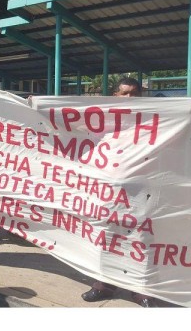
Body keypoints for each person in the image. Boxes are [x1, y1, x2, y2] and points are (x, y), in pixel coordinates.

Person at [81, 77, 157, 308]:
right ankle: (104, 284)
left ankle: (139, 289)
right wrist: (35, 107)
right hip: (110, 191)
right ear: (115, 96)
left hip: (142, 190)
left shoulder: (155, 118)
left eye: (134, 93)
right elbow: (63, 125)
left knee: (140, 238)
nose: (130, 98)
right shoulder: (103, 119)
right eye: (125, 93)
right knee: (108, 237)